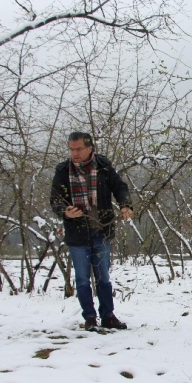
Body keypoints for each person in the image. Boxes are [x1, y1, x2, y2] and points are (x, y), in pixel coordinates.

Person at [50, 132, 133, 331]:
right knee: (81, 278)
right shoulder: (63, 171)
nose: (75, 153)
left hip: (101, 229)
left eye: (78, 149)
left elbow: (119, 187)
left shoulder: (103, 166)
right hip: (77, 232)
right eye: (71, 149)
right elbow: (56, 199)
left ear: (89, 148)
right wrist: (65, 212)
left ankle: (108, 316)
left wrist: (125, 205)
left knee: (103, 276)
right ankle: (89, 317)